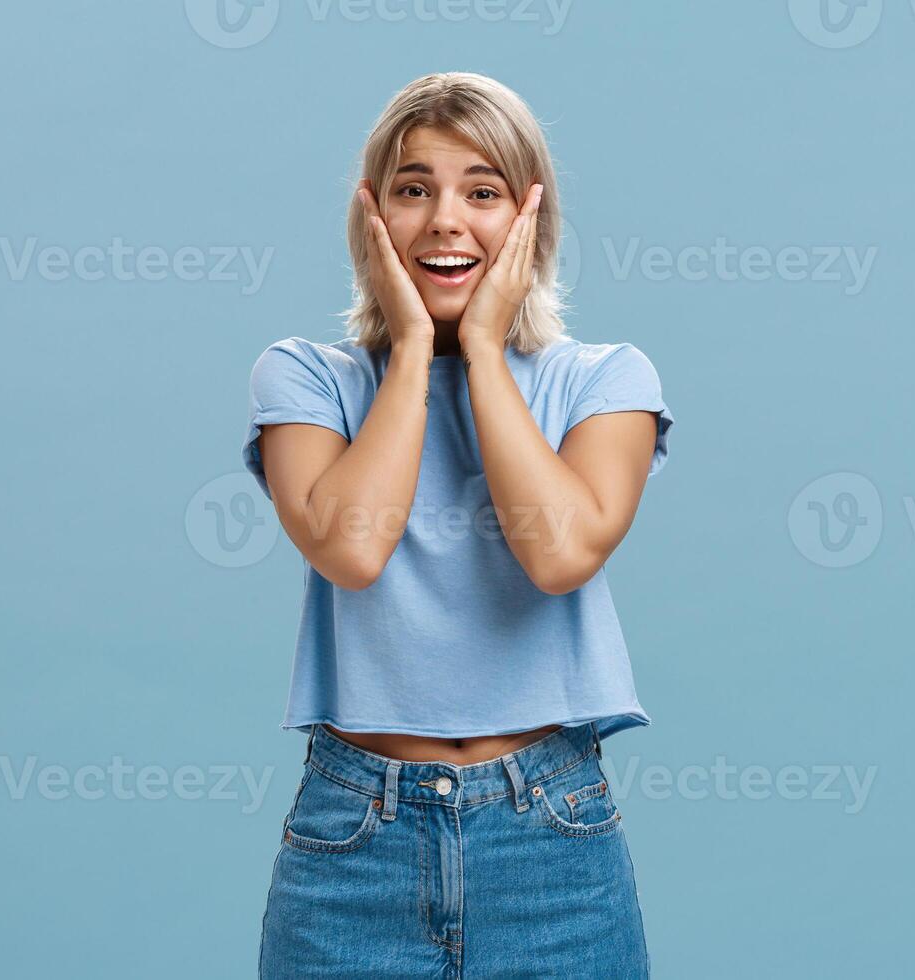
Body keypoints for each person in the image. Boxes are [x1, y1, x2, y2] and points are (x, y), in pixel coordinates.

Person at [243, 72, 672, 977]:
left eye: (482, 192)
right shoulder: (307, 379)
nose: (445, 219)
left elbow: (558, 553)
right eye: (412, 189)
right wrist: (408, 350)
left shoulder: (605, 380)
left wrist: (481, 347)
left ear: (529, 220)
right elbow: (352, 546)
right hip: (354, 840)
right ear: (373, 217)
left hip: (552, 838)